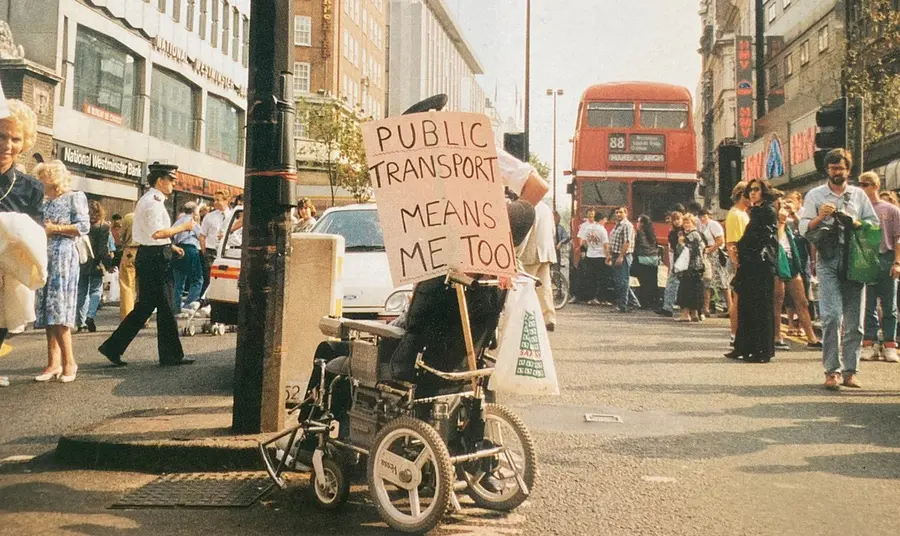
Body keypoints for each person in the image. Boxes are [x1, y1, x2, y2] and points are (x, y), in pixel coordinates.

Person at [99, 162, 197, 367]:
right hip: (155, 258)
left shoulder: (152, 200)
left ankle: (113, 347)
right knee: (167, 306)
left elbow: (156, 235)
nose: (173, 184)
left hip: (153, 253)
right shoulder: (153, 202)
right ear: (160, 181)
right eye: (171, 180)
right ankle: (171, 355)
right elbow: (157, 233)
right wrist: (184, 228)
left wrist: (170, 246)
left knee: (145, 307)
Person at [799, 148, 878, 389]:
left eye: (841, 168)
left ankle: (850, 371)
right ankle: (831, 370)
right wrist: (820, 217)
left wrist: (855, 222)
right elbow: (804, 229)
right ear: (827, 170)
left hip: (854, 259)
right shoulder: (815, 195)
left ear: (848, 170)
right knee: (832, 316)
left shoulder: (858, 195)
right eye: (833, 169)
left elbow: (873, 225)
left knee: (855, 321)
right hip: (828, 258)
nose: (837, 172)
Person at [0, 99, 44, 386]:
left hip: (8, 268)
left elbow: (37, 231)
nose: (8, 145)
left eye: (16, 138)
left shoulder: (30, 187)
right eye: (2, 136)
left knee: (4, 319)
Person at [33, 161, 89, 382]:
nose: (40, 182)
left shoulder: (75, 197)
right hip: (45, 256)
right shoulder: (45, 201)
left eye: (43, 177)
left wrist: (55, 228)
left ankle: (69, 362)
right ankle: (53, 363)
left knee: (59, 310)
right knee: (48, 311)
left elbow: (83, 227)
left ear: (53, 178)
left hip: (64, 256)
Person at [726, 178, 778, 362]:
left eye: (757, 189)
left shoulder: (768, 210)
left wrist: (742, 248)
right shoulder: (755, 211)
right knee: (746, 306)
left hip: (760, 264)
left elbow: (764, 237)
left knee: (760, 307)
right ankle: (743, 348)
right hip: (750, 262)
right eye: (751, 190)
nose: (753, 193)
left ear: (764, 191)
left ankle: (761, 351)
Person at [857, 171, 900, 363]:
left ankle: (890, 344)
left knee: (889, 305)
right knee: (868, 305)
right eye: (860, 184)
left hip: (886, 257)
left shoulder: (891, 210)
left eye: (865, 184)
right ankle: (869, 343)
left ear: (875, 186)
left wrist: (897, 262)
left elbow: (898, 238)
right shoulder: (858, 210)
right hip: (866, 259)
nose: (862, 188)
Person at [773, 198, 821, 349]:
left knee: (802, 301)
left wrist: (793, 214)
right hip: (777, 260)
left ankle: (812, 339)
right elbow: (776, 240)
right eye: (779, 204)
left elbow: (805, 231)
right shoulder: (771, 221)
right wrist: (781, 221)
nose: (783, 207)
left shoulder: (788, 222)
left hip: (791, 261)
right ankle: (776, 336)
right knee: (778, 300)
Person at [518, 201, 558, 330]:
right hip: (546, 252)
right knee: (545, 287)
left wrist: (517, 252)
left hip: (531, 251)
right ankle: (549, 318)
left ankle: (523, 318)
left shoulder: (528, 208)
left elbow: (525, 233)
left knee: (524, 286)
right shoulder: (546, 209)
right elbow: (553, 231)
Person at [76, 200, 114, 333]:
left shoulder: (81, 225)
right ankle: (90, 316)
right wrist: (108, 264)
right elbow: (103, 249)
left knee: (81, 291)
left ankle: (80, 323)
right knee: (96, 290)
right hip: (96, 263)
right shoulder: (103, 227)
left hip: (81, 261)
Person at [725, 182, 750, 343]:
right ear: (742, 194)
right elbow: (732, 243)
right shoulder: (735, 215)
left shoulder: (743, 213)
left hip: (746, 259)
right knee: (738, 299)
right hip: (741, 261)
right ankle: (735, 333)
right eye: (750, 192)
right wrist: (737, 263)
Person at [607, 206, 640, 312]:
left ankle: (622, 305)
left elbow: (627, 242)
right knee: (619, 280)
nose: (618, 214)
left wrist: (621, 256)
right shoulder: (617, 225)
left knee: (622, 281)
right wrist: (610, 255)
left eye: (621, 212)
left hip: (624, 256)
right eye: (616, 212)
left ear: (626, 213)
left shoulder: (627, 225)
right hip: (615, 254)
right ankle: (634, 302)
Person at [172, 201, 204, 310]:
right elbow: (201, 235)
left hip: (177, 249)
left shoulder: (178, 221)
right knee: (197, 279)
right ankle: (189, 305)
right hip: (190, 249)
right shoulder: (192, 222)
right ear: (195, 211)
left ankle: (175, 307)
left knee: (178, 282)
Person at [675, 214, 705, 322]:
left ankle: (686, 314)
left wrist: (681, 243)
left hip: (689, 266)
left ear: (693, 223)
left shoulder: (689, 235)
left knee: (685, 289)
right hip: (698, 266)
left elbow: (684, 250)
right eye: (685, 222)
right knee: (695, 289)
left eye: (688, 222)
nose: (686, 225)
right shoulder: (699, 234)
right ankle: (695, 313)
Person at [199, 189, 229, 295]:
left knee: (224, 280)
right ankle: (205, 302)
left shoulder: (231, 216)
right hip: (211, 251)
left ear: (226, 201)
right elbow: (202, 235)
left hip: (226, 252)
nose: (215, 202)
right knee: (210, 279)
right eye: (214, 200)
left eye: (218, 200)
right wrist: (204, 252)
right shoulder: (209, 217)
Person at [577, 210, 610, 305]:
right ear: (602, 219)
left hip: (590, 255)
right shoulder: (602, 229)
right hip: (601, 256)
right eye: (605, 219)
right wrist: (608, 256)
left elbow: (583, 242)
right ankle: (602, 299)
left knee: (592, 278)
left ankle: (591, 298)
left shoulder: (588, 228)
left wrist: (589, 248)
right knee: (603, 278)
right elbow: (606, 245)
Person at [698, 208, 726, 317]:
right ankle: (708, 307)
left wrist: (710, 249)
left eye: (704, 216)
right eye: (700, 217)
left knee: (720, 281)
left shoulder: (714, 225)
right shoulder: (702, 226)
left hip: (716, 254)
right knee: (708, 281)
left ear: (708, 216)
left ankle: (726, 305)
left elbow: (720, 241)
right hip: (707, 254)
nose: (702, 218)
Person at [656, 210, 684, 317]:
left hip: (683, 261)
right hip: (677, 260)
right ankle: (667, 307)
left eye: (678, 219)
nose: (676, 222)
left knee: (674, 283)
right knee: (671, 283)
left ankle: (668, 307)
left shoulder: (683, 231)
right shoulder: (672, 232)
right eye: (674, 220)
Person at [632, 214, 659, 310]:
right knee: (651, 282)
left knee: (643, 282)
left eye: (638, 221)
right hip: (654, 259)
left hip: (643, 258)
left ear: (642, 224)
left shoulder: (640, 233)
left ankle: (644, 303)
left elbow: (641, 245)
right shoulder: (652, 232)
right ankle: (653, 302)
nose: (637, 223)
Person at [117, 212, 138, 318]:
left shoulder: (129, 217)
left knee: (127, 285)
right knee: (142, 285)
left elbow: (121, 236)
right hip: (146, 251)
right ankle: (143, 317)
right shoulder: (149, 216)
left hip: (130, 251)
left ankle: (128, 316)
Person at [553, 210, 571, 301]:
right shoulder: (547, 227)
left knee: (556, 271)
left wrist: (560, 242)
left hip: (555, 252)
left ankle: (559, 291)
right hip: (548, 250)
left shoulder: (560, 228)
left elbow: (566, 237)